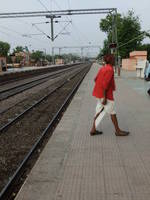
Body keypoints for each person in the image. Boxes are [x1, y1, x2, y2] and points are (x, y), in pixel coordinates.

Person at [90, 54, 130, 136]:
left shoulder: (103, 68)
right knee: (112, 112)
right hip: (106, 95)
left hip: (99, 93)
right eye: (114, 59)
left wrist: (100, 90)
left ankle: (93, 130)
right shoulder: (110, 69)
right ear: (110, 60)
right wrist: (104, 97)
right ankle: (118, 131)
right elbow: (105, 84)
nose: (115, 61)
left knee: (98, 111)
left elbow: (95, 79)